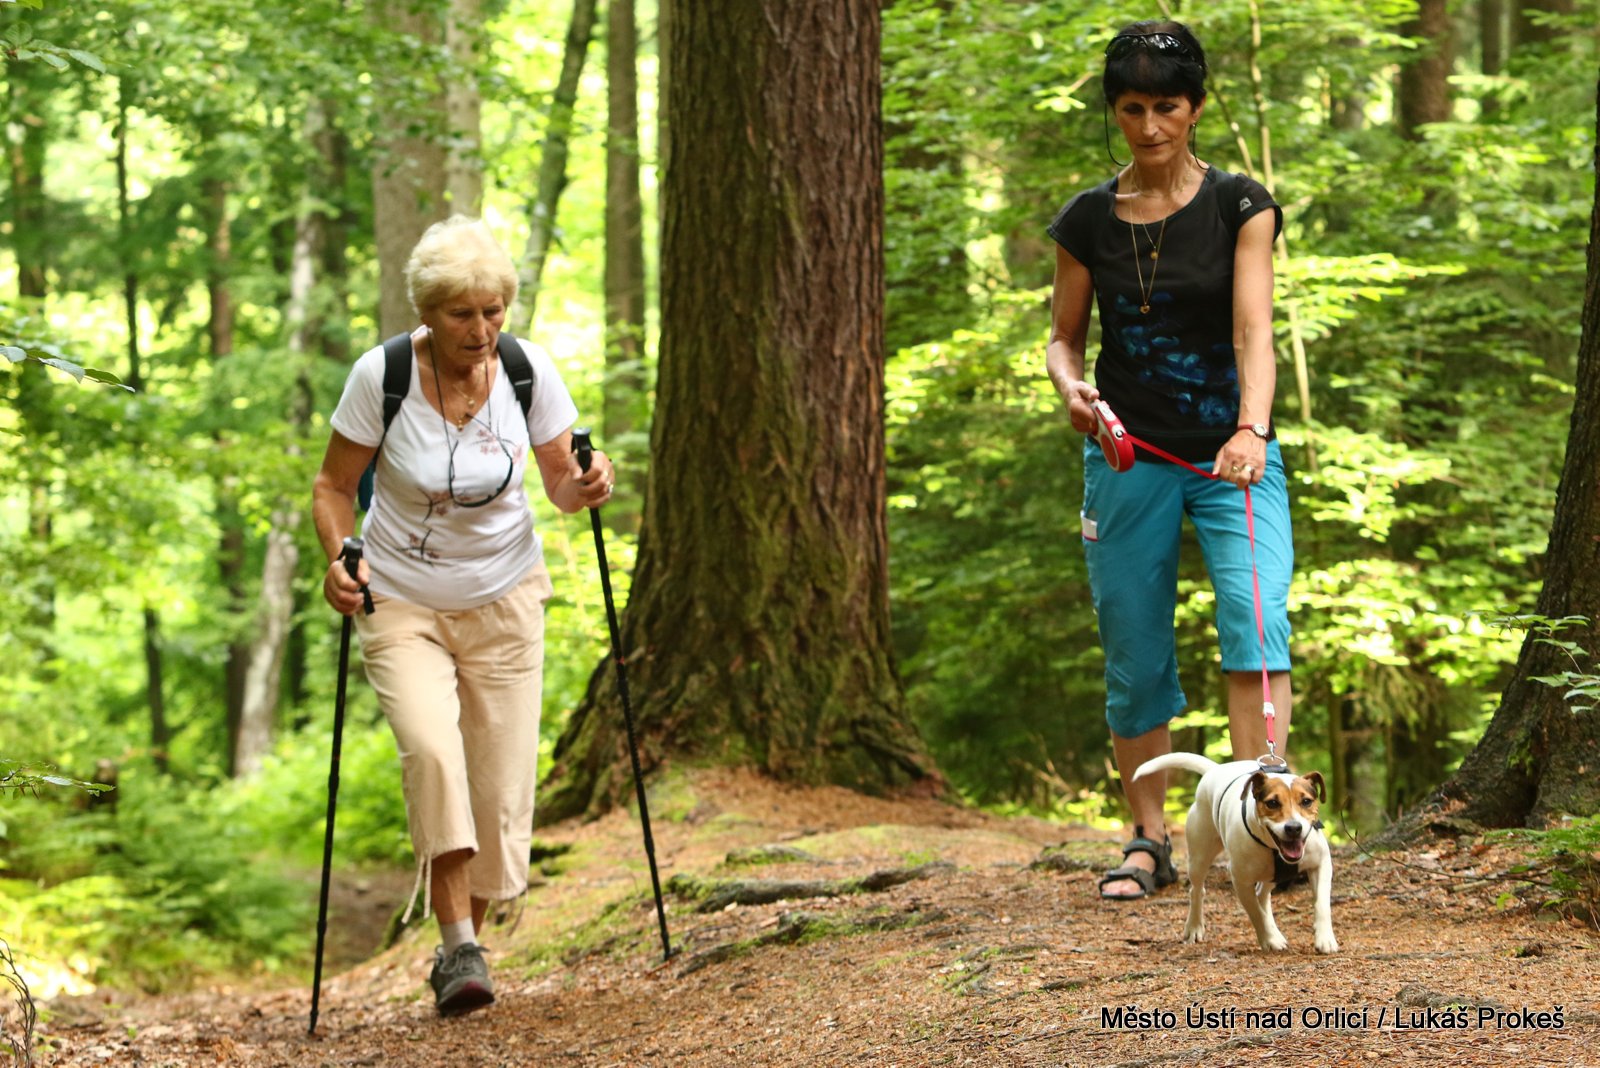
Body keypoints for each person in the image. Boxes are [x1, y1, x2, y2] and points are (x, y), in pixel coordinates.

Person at [311, 215, 614, 1013]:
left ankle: (463, 949)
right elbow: (332, 488)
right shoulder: (383, 376)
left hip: (505, 597)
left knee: (499, 790)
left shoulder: (526, 371)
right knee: (433, 753)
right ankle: (460, 948)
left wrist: (588, 483)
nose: (480, 331)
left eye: (492, 311)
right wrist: (341, 558)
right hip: (401, 597)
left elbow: (561, 483)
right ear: (427, 313)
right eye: (461, 315)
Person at [1043, 21, 1295, 901]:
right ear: (1114, 112)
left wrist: (1251, 429)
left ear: (1195, 108)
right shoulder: (1086, 219)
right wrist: (1070, 388)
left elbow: (1253, 329)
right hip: (1128, 459)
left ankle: (1261, 831)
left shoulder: (1240, 206)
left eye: (1167, 106)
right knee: (1135, 644)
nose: (1150, 126)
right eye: (1132, 108)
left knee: (1254, 620)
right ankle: (1148, 840)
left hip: (1234, 455)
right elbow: (1063, 338)